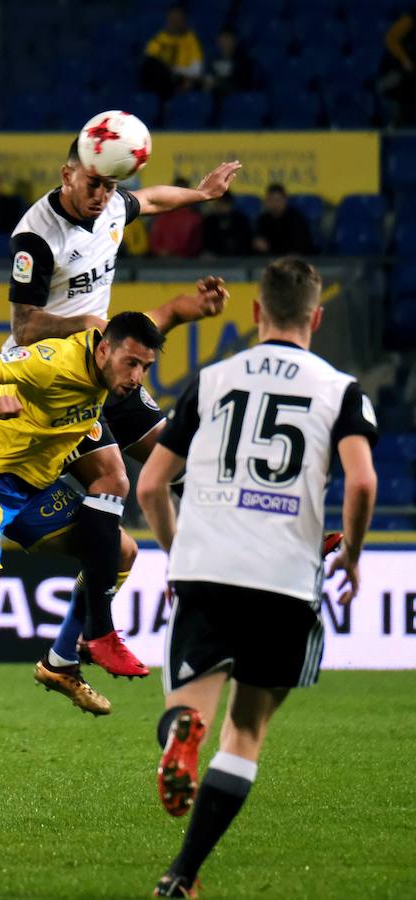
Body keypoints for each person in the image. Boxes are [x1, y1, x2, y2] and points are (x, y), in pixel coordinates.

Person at [137, 256, 378, 897]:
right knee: (245, 732)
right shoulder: (341, 389)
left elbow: (152, 484)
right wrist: (351, 553)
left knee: (187, 709)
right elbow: (361, 480)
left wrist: (178, 550)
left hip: (208, 567)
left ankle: (181, 735)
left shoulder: (212, 381)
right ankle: (181, 877)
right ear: (316, 318)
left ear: (255, 312)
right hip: (286, 578)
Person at [0, 311, 166, 801]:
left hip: (32, 490)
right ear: (103, 350)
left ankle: (61, 661)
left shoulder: (113, 380)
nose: (136, 378)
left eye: (145, 368)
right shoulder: (53, 362)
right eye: (131, 363)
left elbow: (158, 319)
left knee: (119, 550)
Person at [6, 134, 240, 683]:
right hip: (58, 377)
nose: (103, 195)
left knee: (183, 458)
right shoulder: (36, 236)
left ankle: (64, 657)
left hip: (109, 366)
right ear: (68, 173)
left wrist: (201, 195)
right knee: (112, 480)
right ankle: (97, 633)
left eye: (111, 185)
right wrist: (87, 327)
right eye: (93, 184)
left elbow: (152, 199)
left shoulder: (112, 202)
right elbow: (24, 326)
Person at [139, 5, 204, 122]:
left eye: (178, 19)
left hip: (183, 78)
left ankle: (164, 110)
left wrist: (177, 72)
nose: (174, 22)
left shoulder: (190, 40)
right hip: (162, 79)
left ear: (184, 21)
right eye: (172, 19)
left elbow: (196, 70)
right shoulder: (160, 38)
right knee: (153, 67)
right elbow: (150, 61)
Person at [204, 27, 255, 125]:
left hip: (238, 103)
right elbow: (208, 81)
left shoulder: (244, 61)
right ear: (218, 41)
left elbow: (244, 84)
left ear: (235, 41)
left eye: (228, 39)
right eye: (222, 39)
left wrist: (219, 83)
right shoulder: (213, 61)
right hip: (216, 103)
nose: (225, 42)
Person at [378, 7, 416, 126]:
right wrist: (405, 60)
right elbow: (391, 38)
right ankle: (395, 125)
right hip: (400, 74)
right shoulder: (413, 15)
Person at [253, 183, 314, 256]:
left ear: (285, 200)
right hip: (268, 260)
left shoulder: (296, 219)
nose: (274, 204)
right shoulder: (262, 220)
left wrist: (270, 248)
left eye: (277, 200)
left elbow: (300, 247)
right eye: (270, 200)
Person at [149, 178, 203, 258]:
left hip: (185, 263)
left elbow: (196, 245)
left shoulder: (195, 219)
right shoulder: (162, 217)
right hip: (164, 262)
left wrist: (179, 255)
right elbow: (154, 242)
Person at [202, 191, 253, 256]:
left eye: (224, 204)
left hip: (239, 259)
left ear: (230, 204)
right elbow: (206, 245)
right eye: (218, 203)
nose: (220, 207)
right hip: (215, 261)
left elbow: (247, 243)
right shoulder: (209, 221)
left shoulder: (241, 220)